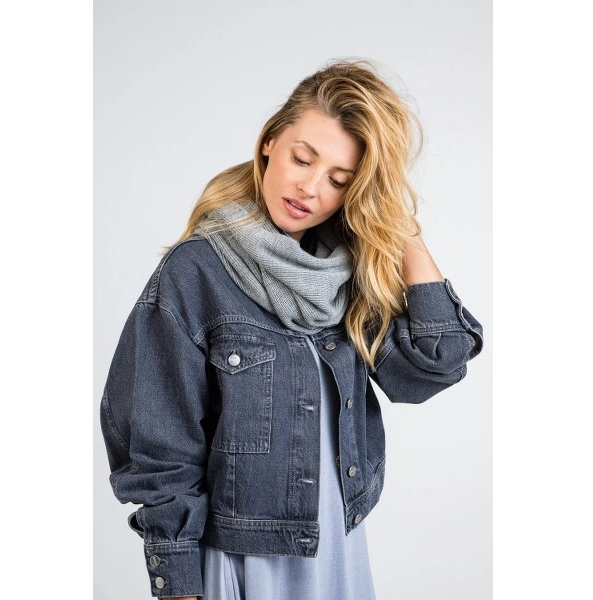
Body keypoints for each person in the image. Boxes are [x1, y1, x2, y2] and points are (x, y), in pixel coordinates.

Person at [100, 58, 483, 599]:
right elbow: (158, 445)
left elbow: (434, 366)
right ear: (270, 142)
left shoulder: (348, 276)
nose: (309, 187)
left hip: (337, 549)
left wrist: (402, 229)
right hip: (242, 554)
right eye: (302, 159)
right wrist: (178, 585)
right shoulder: (196, 272)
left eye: (339, 180)